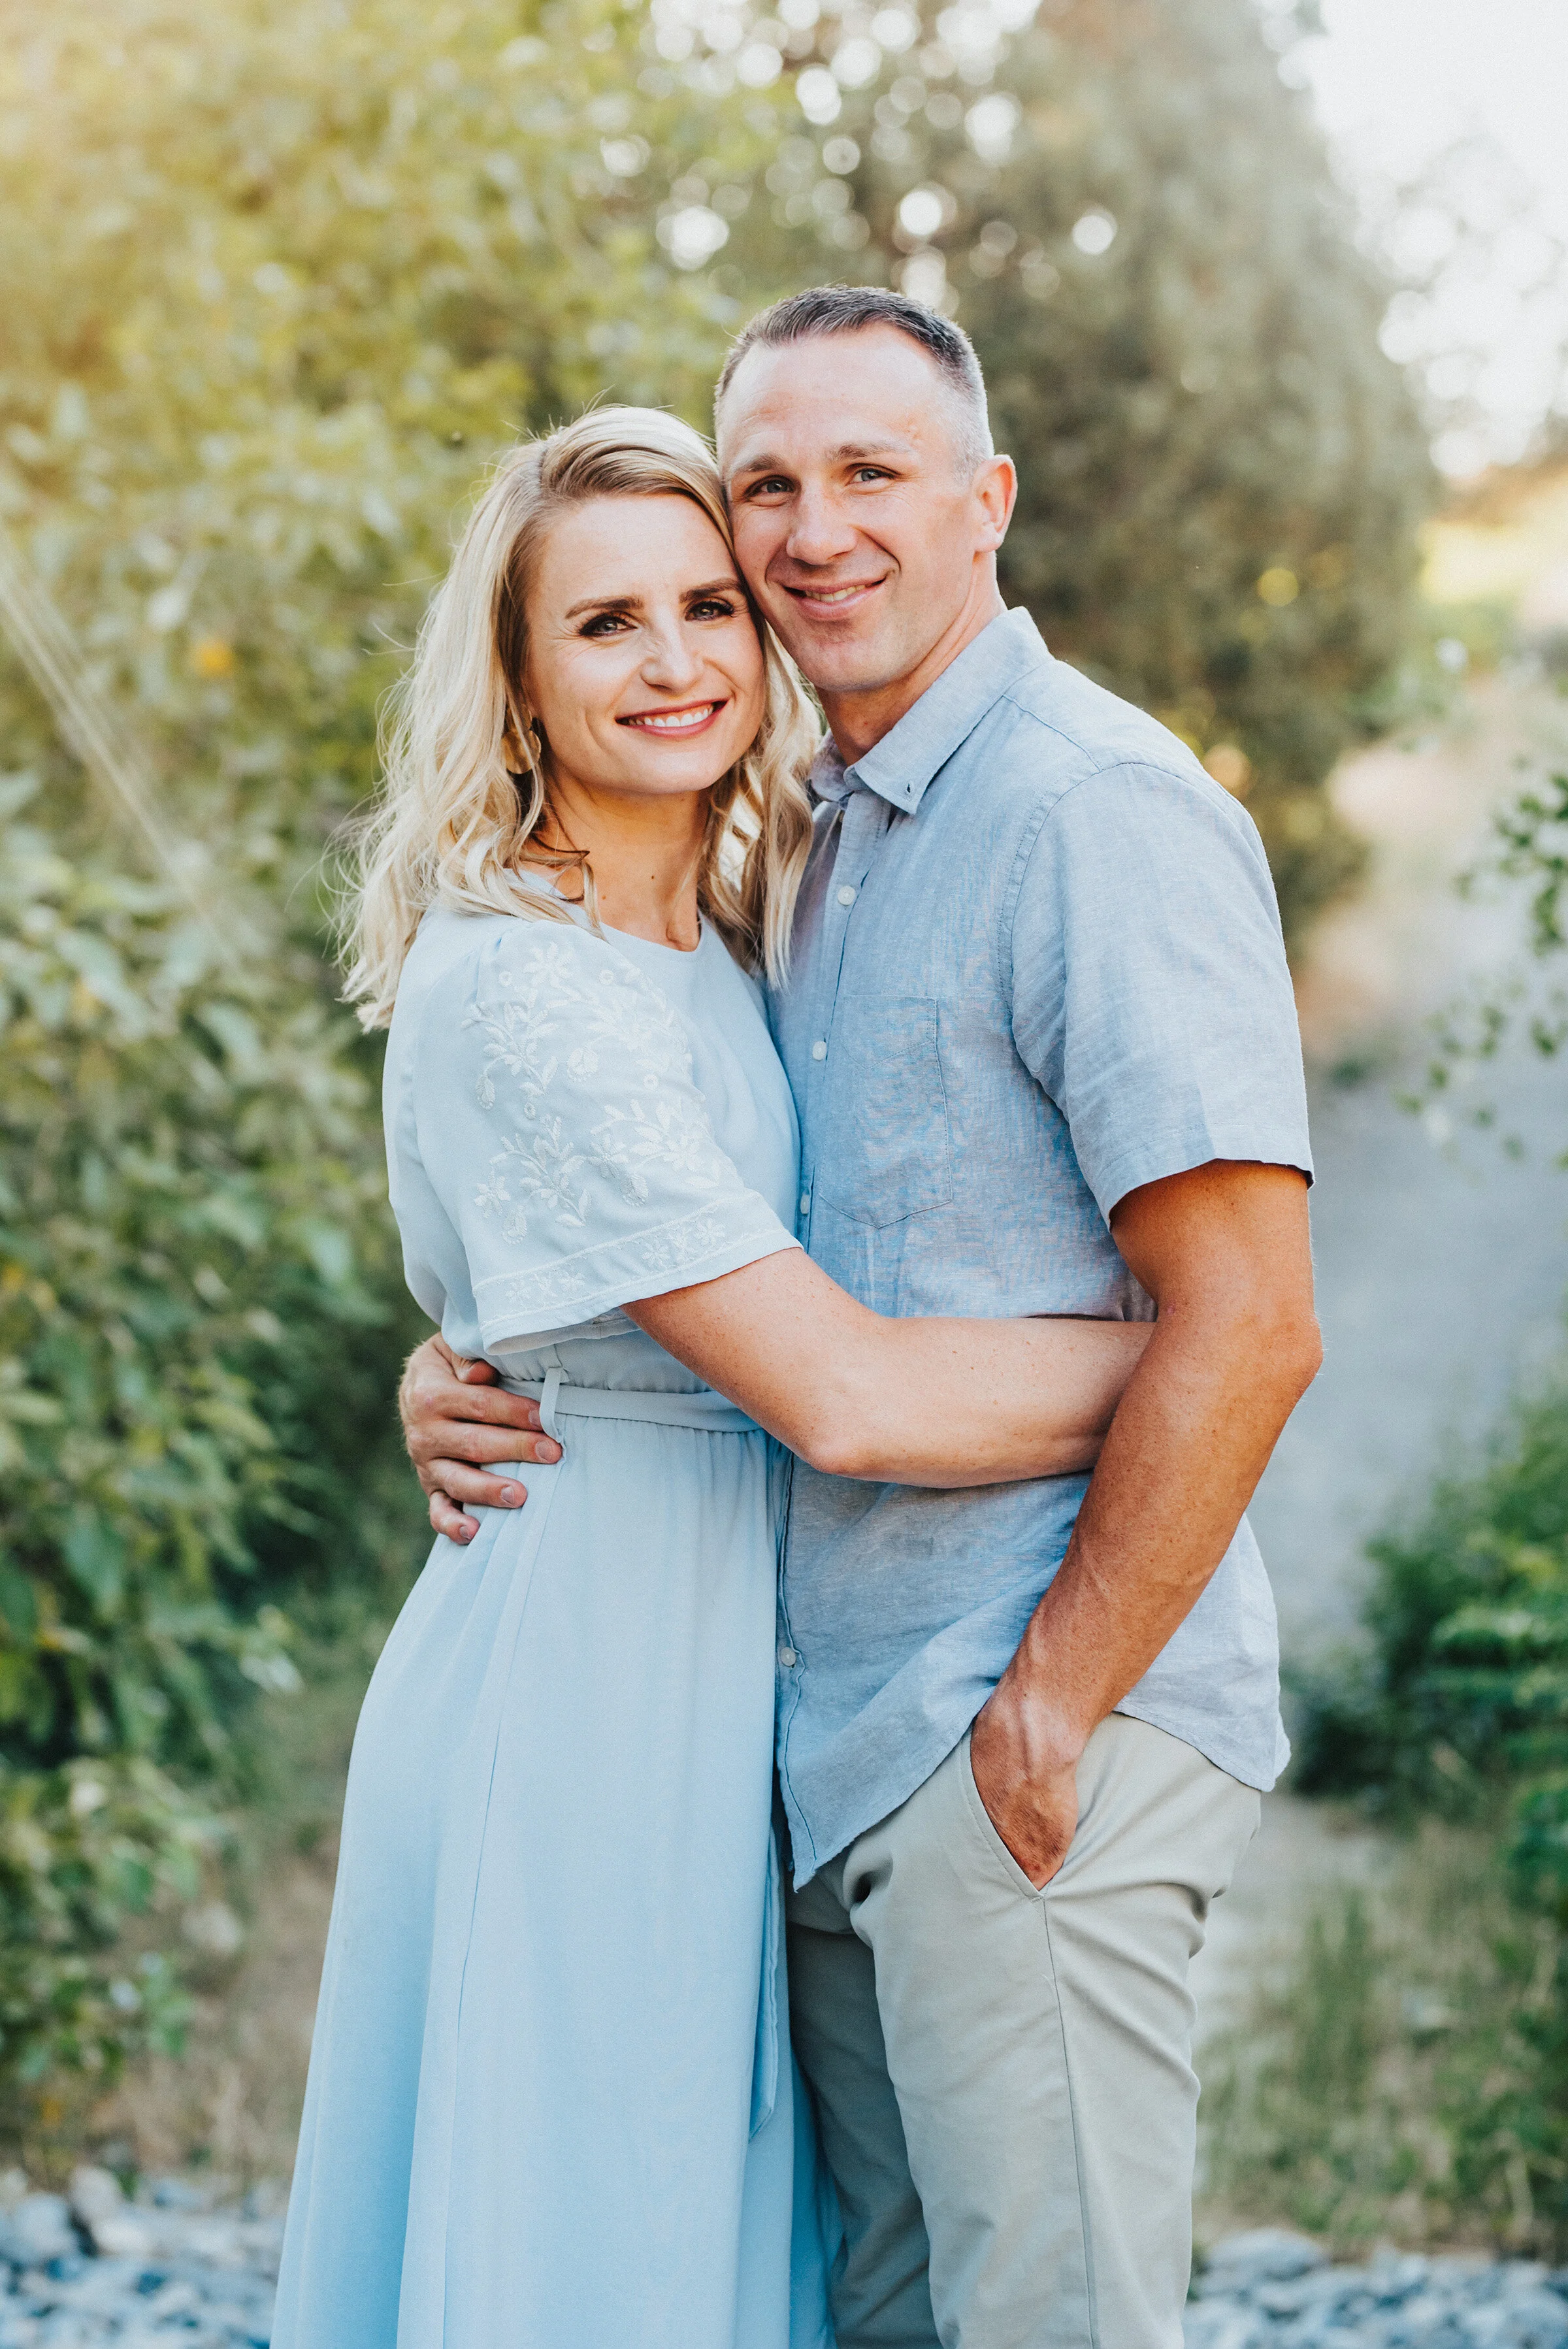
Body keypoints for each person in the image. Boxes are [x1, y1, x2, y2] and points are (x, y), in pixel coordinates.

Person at [403, 289, 1322, 2349]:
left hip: (1018, 1722)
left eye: (873, 475)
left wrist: (1061, 1698)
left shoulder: (1097, 813)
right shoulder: (810, 838)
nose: (815, 533)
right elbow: (702, 1230)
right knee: (888, 2321)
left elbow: (1249, 1323)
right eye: (772, 489)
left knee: (1052, 2323)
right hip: (819, 1743)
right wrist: (479, 1364)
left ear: (986, 504)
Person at [272, 403, 1156, 2349]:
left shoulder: (743, 939)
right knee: (586, 2248)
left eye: (705, 607)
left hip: (730, 1682)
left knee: (710, 2246)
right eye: (601, 625)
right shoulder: (522, 980)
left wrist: (473, 1356)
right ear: (514, 675)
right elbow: (838, 1394)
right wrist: (1200, 1363)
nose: (672, 660)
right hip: (579, 1689)